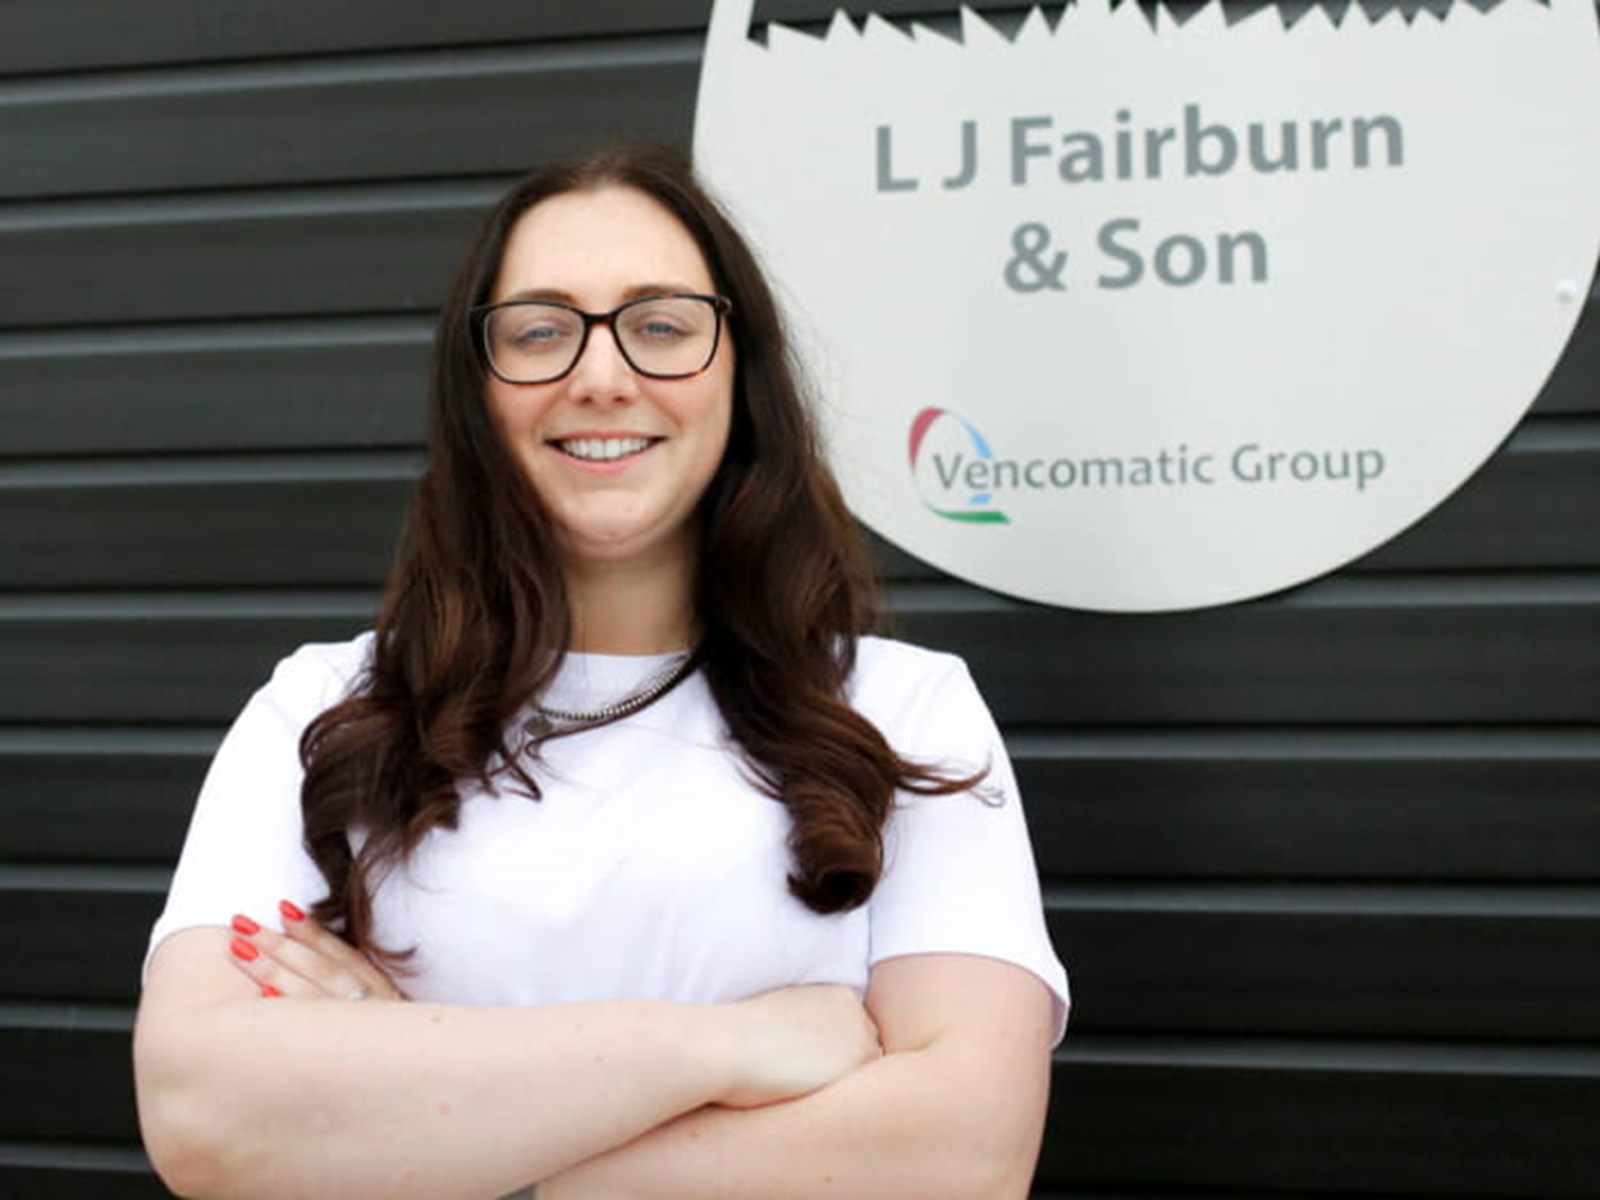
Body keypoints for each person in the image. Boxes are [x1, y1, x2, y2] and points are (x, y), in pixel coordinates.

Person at [134, 142, 1068, 1200]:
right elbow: (205, 1118)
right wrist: (731, 1049)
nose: (603, 377)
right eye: (539, 332)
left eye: (661, 326)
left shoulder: (905, 713)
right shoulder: (325, 707)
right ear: (475, 390)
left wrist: (444, 1132)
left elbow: (963, 1155)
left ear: (739, 372)